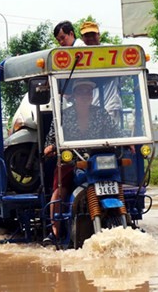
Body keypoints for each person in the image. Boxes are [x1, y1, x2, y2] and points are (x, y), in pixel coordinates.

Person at [42, 80, 122, 245]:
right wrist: (50, 147)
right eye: (81, 92)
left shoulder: (101, 113)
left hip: (97, 160)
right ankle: (55, 230)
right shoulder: (64, 116)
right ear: (74, 95)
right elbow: (50, 140)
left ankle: (122, 220)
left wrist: (127, 142)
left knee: (116, 177)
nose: (85, 95)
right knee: (60, 187)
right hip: (71, 160)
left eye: (88, 92)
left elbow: (116, 132)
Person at [80, 21, 122, 124]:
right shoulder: (78, 55)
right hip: (89, 108)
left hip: (110, 106)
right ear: (82, 38)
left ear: (99, 35)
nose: (90, 38)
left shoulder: (111, 50)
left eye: (92, 34)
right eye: (86, 35)